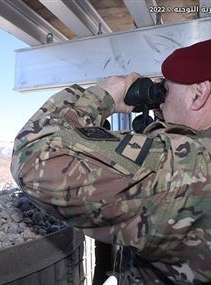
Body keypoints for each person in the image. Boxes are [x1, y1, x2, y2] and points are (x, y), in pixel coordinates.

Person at [11, 39, 211, 284]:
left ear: (199, 93)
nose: (160, 100)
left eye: (166, 91)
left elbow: (33, 156)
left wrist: (102, 97)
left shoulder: (187, 163)